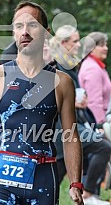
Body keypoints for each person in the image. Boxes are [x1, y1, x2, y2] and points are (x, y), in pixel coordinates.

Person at [0, 1, 83, 205]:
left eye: (32, 25)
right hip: (1, 180)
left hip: (43, 180)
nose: (25, 32)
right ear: (13, 32)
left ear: (46, 32)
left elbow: (71, 136)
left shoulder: (62, 82)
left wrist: (76, 183)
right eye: (19, 26)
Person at [49, 25, 111, 205]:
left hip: (74, 124)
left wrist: (79, 103)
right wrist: (73, 102)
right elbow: (48, 95)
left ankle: (88, 195)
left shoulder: (69, 64)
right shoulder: (56, 65)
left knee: (57, 175)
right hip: (61, 128)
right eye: (75, 41)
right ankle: (89, 194)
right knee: (102, 148)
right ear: (63, 43)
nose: (79, 44)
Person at [78, 32, 111, 125]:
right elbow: (94, 102)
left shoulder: (96, 66)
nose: (106, 48)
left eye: (106, 45)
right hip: (99, 122)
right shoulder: (92, 69)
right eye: (101, 45)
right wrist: (100, 125)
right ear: (91, 49)